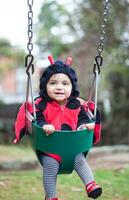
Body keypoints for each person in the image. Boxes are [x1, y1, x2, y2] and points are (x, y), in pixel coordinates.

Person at [35, 55, 102, 200]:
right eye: (53, 83)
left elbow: (83, 120)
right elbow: (37, 120)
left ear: (72, 87)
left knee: (80, 160)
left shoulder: (77, 105)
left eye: (65, 83)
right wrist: (44, 126)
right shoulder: (41, 105)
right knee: (50, 166)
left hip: (73, 149)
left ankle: (90, 184)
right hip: (50, 149)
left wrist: (85, 126)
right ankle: (51, 196)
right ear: (45, 86)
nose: (59, 87)